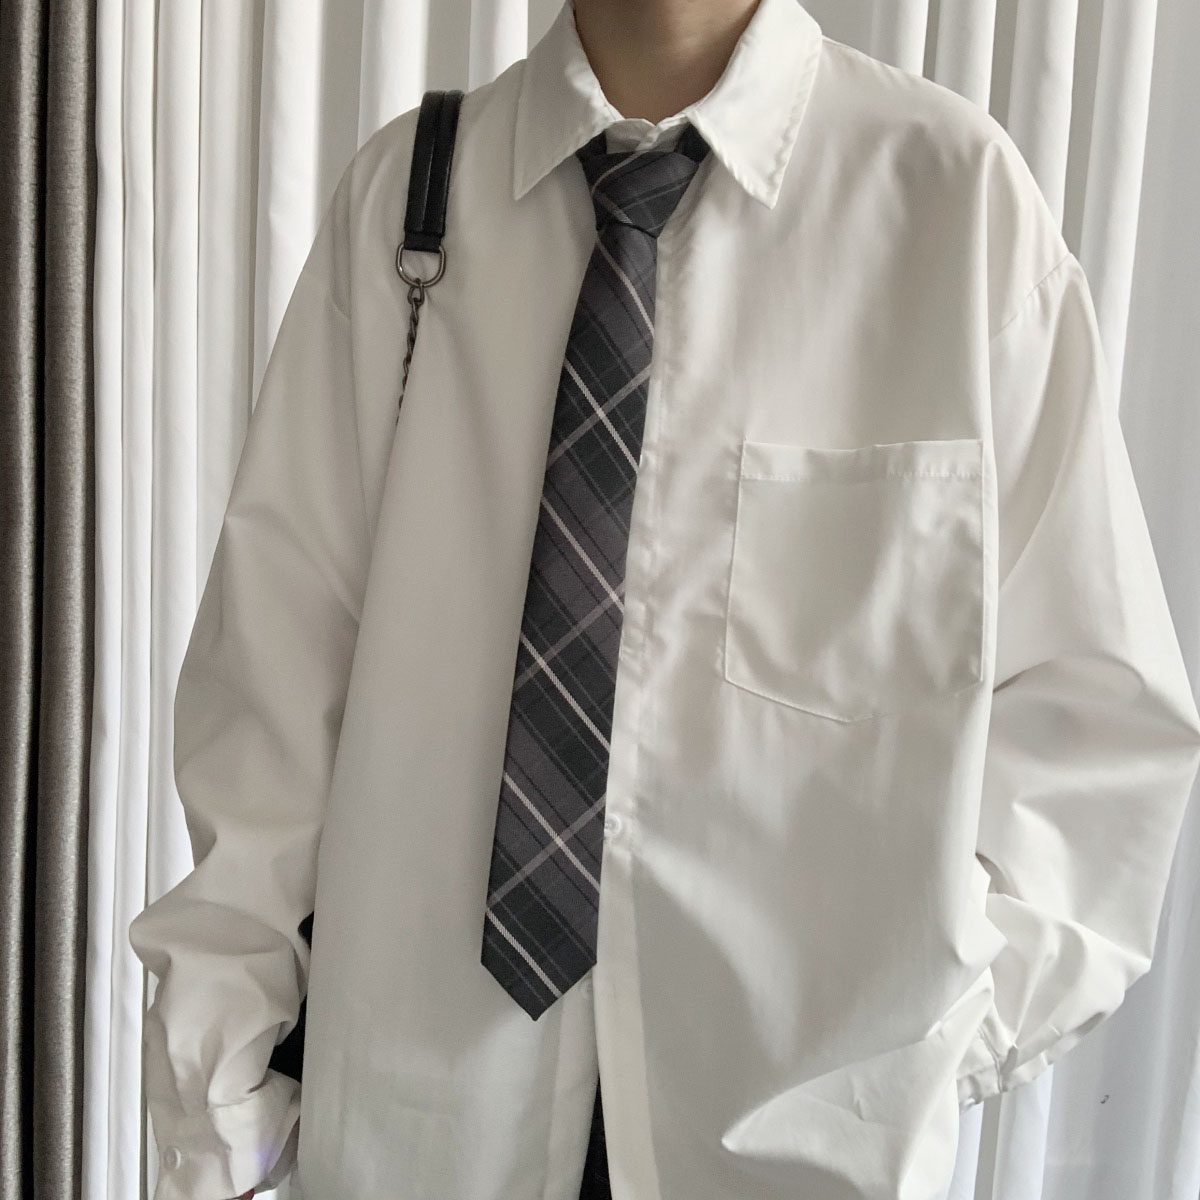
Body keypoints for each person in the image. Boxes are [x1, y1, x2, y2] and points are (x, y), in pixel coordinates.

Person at [128, 0, 1200, 1197]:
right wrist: (218, 1104)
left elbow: (1094, 720)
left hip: (787, 1147)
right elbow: (272, 689)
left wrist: (922, 1040)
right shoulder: (409, 204)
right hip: (423, 1121)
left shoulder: (950, 204)